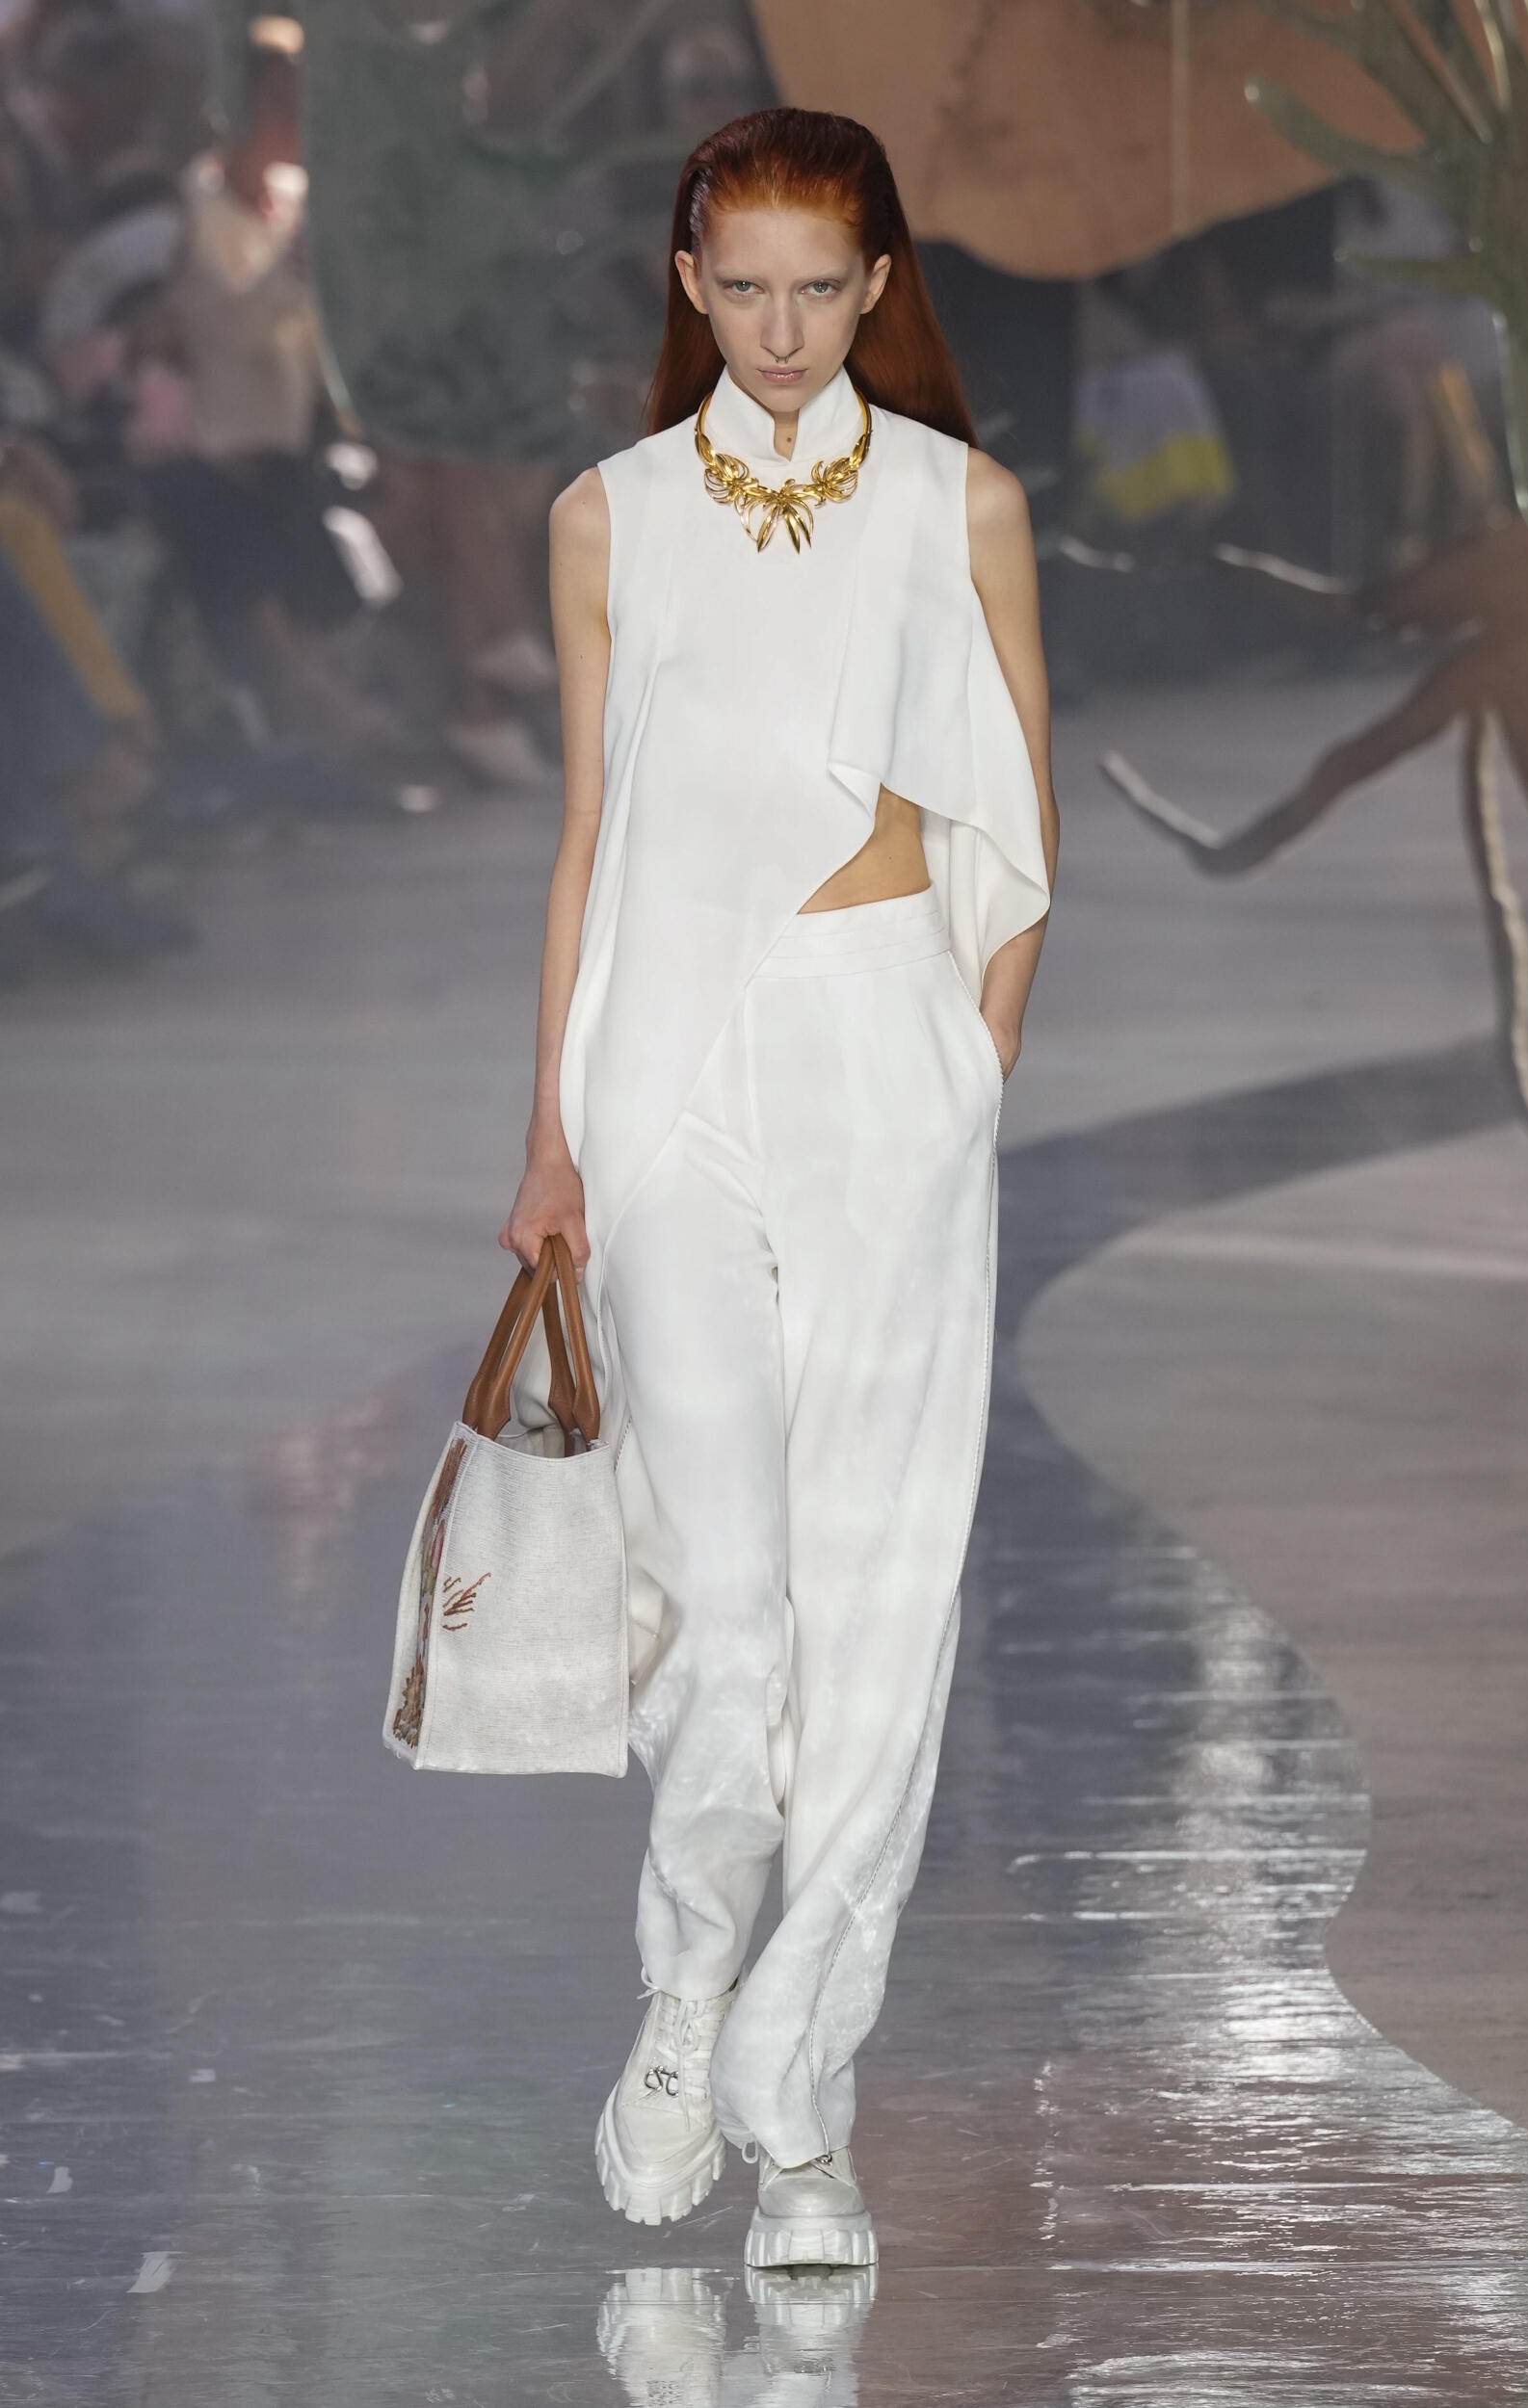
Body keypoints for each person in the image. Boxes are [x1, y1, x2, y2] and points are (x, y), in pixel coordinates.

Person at [498, 108, 1058, 2271]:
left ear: (881, 283)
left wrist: (969, 1066)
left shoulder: (959, 505)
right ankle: (683, 1995)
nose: (784, 326)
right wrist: (550, 1135)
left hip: (881, 1050)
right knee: (729, 1598)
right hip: (665, 1068)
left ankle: (798, 2092)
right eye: (743, 286)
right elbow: (590, 831)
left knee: (877, 1598)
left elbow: (1017, 817)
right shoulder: (608, 517)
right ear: (688, 282)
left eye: (822, 286)